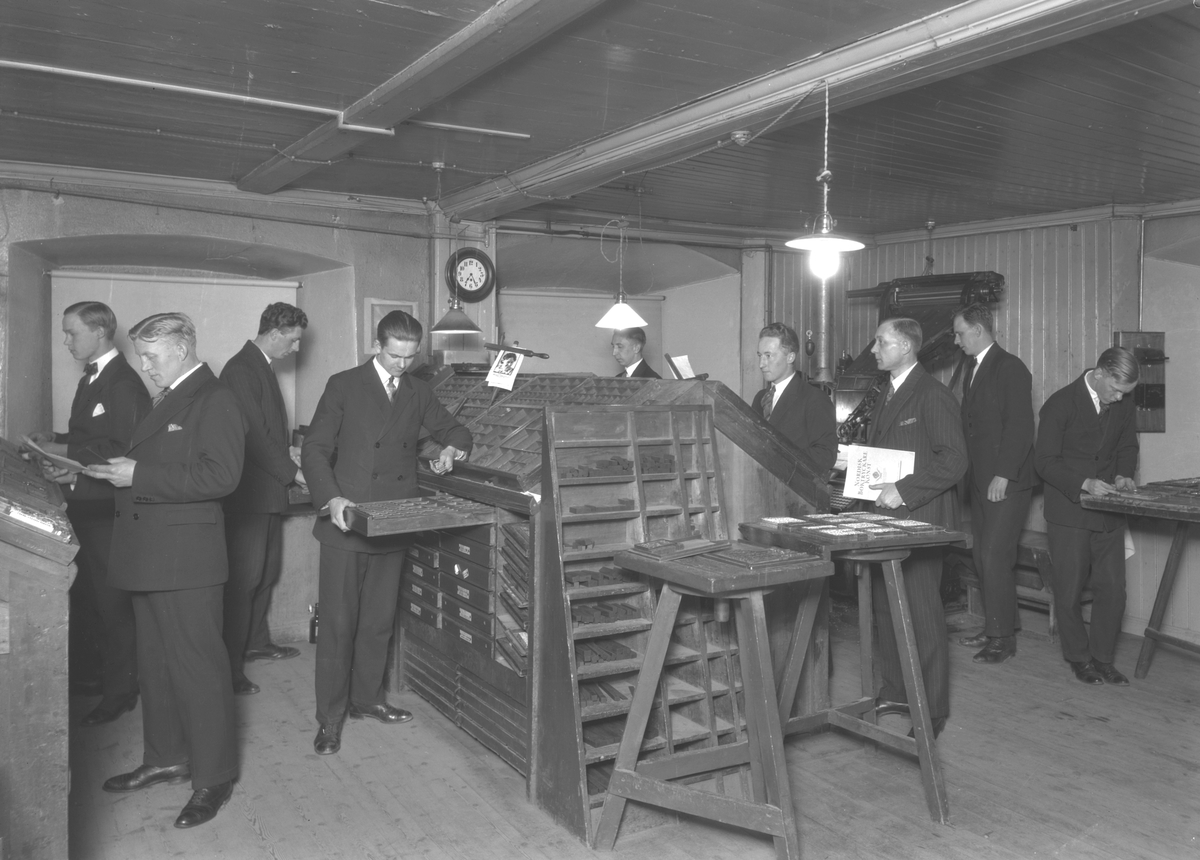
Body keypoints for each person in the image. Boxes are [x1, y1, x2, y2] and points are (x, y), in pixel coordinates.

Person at [85, 312, 245, 829]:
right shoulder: (169, 396)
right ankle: (166, 757)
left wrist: (139, 474)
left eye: (152, 357)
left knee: (199, 670)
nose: (146, 367)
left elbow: (221, 476)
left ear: (180, 349)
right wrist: (112, 472)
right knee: (154, 666)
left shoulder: (215, 398)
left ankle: (214, 776)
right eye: (142, 357)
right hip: (151, 554)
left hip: (187, 561)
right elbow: (162, 463)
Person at [302, 310, 472, 756]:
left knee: (378, 622)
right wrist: (332, 498)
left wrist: (451, 449)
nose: (402, 365)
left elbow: (455, 429)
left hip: (394, 519)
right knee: (338, 625)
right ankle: (330, 718)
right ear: (377, 346)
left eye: (410, 357)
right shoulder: (344, 385)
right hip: (347, 520)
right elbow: (315, 449)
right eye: (395, 356)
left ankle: (367, 699)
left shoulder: (418, 391)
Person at [28, 301, 151, 725]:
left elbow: (124, 449)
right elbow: (91, 437)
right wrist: (55, 438)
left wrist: (62, 451)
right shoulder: (92, 376)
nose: (66, 341)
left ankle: (121, 692)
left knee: (112, 604)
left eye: (72, 333)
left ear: (99, 332)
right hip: (88, 508)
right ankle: (101, 676)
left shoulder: (124, 383)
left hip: (109, 512)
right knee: (91, 600)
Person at [867, 317, 967, 739]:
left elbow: (955, 460)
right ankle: (896, 691)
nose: (874, 349)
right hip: (885, 522)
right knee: (885, 608)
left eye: (881, 342)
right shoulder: (886, 392)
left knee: (921, 615)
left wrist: (904, 491)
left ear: (906, 346)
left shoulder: (932, 394)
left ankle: (931, 709)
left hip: (919, 522)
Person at [1035, 346, 1139, 686]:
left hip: (1108, 512)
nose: (1120, 397)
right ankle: (1079, 658)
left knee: (1114, 590)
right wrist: (1084, 483)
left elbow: (1128, 446)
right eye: (1116, 389)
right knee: (1069, 591)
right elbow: (1044, 461)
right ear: (1100, 373)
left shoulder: (1123, 404)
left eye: (1125, 392)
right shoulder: (1060, 404)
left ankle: (1103, 659)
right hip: (1069, 511)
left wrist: (1123, 474)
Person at [220, 302, 308, 696]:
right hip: (250, 495)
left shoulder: (261, 366)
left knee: (266, 573)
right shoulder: (241, 369)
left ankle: (255, 642)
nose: (296, 348)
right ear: (274, 334)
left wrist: (290, 455)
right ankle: (228, 667)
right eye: (293, 340)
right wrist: (294, 474)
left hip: (267, 492)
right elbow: (255, 436)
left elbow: (269, 430)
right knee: (244, 581)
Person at [952, 304, 1035, 664]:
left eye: (960, 333)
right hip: (981, 479)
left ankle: (1002, 639)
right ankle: (996, 626)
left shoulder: (1009, 367)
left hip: (1005, 480)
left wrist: (1004, 474)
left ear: (978, 330)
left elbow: (1020, 425)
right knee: (981, 556)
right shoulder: (974, 367)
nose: (957, 341)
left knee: (994, 555)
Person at [750, 322, 838, 475]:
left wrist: (778, 458)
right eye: (760, 356)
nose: (761, 364)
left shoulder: (815, 399)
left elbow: (826, 455)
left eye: (768, 356)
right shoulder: (760, 398)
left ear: (790, 357)